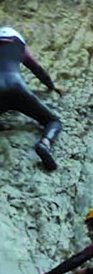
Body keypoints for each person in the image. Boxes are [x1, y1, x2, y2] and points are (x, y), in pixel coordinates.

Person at [1, 26, 62, 171]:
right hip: (17, 87)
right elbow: (37, 69)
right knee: (53, 121)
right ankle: (44, 144)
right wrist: (52, 87)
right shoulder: (19, 47)